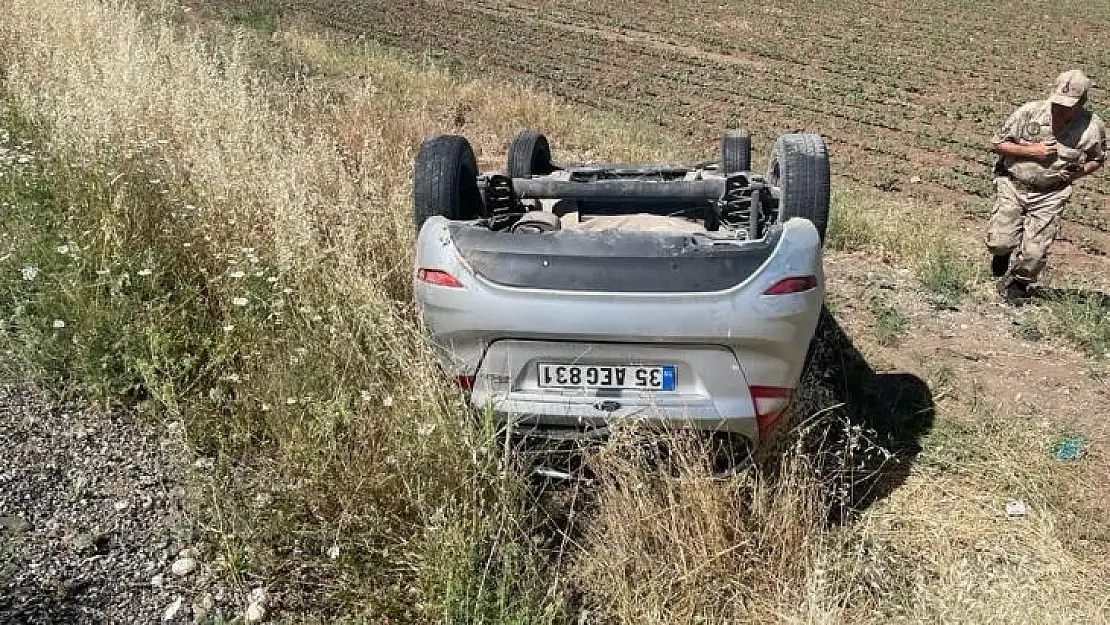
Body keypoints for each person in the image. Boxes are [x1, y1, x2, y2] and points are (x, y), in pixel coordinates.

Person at [987, 69, 1107, 304]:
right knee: (999, 242)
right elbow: (997, 144)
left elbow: (1098, 158)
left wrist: (1074, 176)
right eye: (1058, 102)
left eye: (1068, 105)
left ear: (1082, 102)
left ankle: (1019, 284)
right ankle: (1003, 253)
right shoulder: (1030, 112)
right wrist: (1032, 151)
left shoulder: (1092, 127)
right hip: (1014, 184)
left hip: (1051, 194)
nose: (1061, 108)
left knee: (1035, 252)